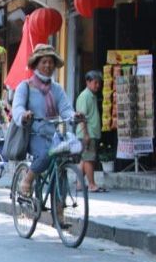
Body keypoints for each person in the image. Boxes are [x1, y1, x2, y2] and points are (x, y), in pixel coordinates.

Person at [12, 44, 83, 198]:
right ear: (36, 64)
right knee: (46, 153)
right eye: (44, 62)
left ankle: (59, 207)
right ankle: (27, 180)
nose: (48, 65)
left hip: (53, 135)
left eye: (51, 62)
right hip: (33, 135)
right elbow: (17, 108)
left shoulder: (57, 89)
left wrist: (74, 116)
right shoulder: (25, 87)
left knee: (64, 157)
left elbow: (66, 109)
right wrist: (24, 115)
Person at [75, 70, 106, 192]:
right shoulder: (85, 96)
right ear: (88, 82)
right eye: (95, 83)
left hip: (91, 133)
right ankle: (92, 184)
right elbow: (81, 116)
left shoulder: (92, 96)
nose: (97, 85)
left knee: (84, 159)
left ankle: (79, 183)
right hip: (87, 133)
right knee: (89, 159)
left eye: (99, 83)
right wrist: (86, 134)